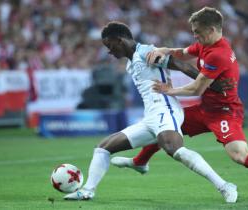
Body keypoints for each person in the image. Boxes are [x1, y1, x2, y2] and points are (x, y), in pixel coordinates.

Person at [111, 7, 248, 203]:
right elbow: (183, 52)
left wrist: (169, 90)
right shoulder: (207, 45)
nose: (195, 36)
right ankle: (140, 162)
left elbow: (197, 89)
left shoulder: (219, 54)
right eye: (193, 32)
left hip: (225, 112)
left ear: (212, 30)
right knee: (165, 128)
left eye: (197, 32)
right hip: (205, 110)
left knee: (240, 155)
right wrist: (163, 50)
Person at [64, 21, 238, 203]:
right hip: (151, 116)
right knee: (102, 148)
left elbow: (181, 65)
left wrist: (211, 85)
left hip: (166, 108)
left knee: (174, 149)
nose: (109, 51)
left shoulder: (146, 52)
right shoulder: (132, 61)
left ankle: (224, 186)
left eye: (110, 45)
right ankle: (87, 191)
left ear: (120, 40)